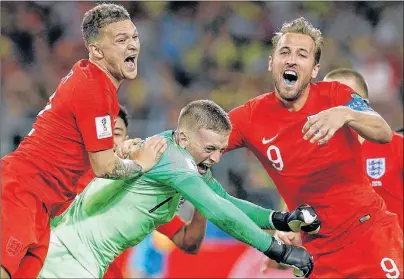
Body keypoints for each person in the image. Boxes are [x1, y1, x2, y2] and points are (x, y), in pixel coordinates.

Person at [38, 100, 320, 278]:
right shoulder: (171, 158)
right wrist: (278, 251)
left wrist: (280, 219)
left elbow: (224, 200)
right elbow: (219, 213)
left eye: (221, 150)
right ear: (183, 138)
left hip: (77, 259)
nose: (217, 158)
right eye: (210, 149)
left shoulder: (183, 159)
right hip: (68, 259)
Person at [226, 17, 402, 278]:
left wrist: (345, 113)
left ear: (315, 69)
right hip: (319, 254)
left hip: (371, 238)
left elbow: (383, 132)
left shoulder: (338, 99)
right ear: (271, 62)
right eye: (284, 52)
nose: (292, 59)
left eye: (302, 54)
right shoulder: (252, 117)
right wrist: (287, 229)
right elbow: (205, 138)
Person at [1, 4, 167, 278]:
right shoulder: (95, 89)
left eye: (134, 37)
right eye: (121, 40)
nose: (133, 46)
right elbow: (103, 167)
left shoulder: (92, 80)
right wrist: (140, 165)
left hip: (42, 206)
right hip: (23, 191)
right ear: (97, 51)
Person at [55, 105, 207, 278]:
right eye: (103, 132)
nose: (110, 140)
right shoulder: (60, 179)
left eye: (117, 133)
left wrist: (205, 199)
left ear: (126, 139)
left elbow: (188, 242)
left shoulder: (140, 188)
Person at [323, 68, 403, 229]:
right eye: (327, 98)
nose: (336, 108)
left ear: (364, 104)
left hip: (394, 248)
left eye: (343, 98)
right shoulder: (313, 154)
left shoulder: (397, 146)